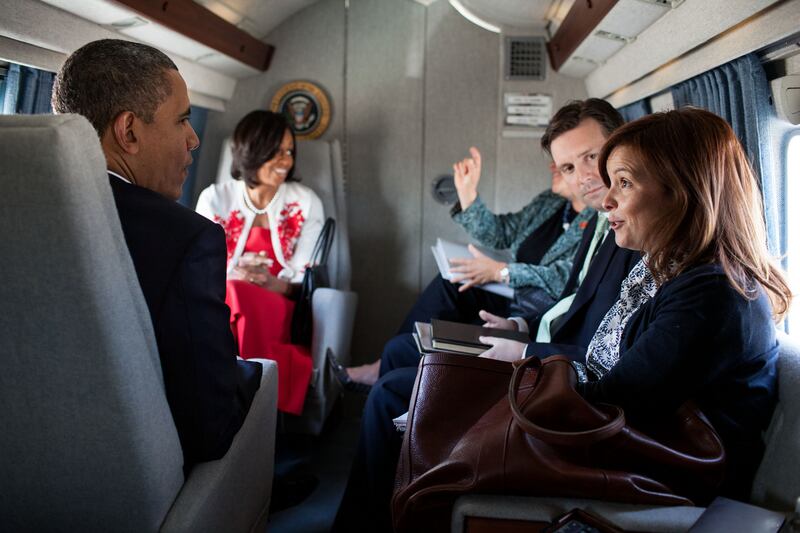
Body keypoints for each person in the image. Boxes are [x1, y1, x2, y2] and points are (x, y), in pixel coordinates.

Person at [333, 99, 638, 532]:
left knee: (391, 389)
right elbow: (521, 249)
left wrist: (513, 309)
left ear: (621, 146)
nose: (583, 175)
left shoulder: (619, 230)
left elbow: (580, 317)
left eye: (591, 157)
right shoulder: (579, 216)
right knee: (411, 342)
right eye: (568, 166)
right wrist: (470, 200)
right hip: (533, 335)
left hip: (546, 362)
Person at [483, 106, 791, 500]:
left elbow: (618, 403)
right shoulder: (663, 269)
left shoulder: (712, 294)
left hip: (670, 477)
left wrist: (519, 385)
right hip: (636, 451)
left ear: (682, 191)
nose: (607, 199)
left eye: (624, 183)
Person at [51, 39, 262, 472]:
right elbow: (210, 426)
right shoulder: (187, 240)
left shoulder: (20, 211)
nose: (194, 138)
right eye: (183, 119)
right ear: (129, 131)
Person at [337, 146, 594, 389]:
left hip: (533, 308)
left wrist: (502, 272)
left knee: (456, 291)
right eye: (561, 163)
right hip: (511, 292)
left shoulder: (598, 221)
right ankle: (393, 361)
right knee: (452, 279)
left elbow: (567, 276)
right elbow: (501, 233)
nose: (553, 167)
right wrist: (469, 196)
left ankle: (388, 370)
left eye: (566, 165)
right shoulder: (550, 203)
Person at [196, 110, 324, 415]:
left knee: (237, 294)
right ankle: (254, 400)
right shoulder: (214, 198)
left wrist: (271, 282)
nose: (285, 161)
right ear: (251, 151)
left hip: (280, 301)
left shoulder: (305, 202)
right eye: (276, 152)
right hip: (223, 298)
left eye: (289, 152)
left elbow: (306, 278)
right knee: (233, 293)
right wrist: (234, 273)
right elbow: (201, 267)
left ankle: (240, 401)